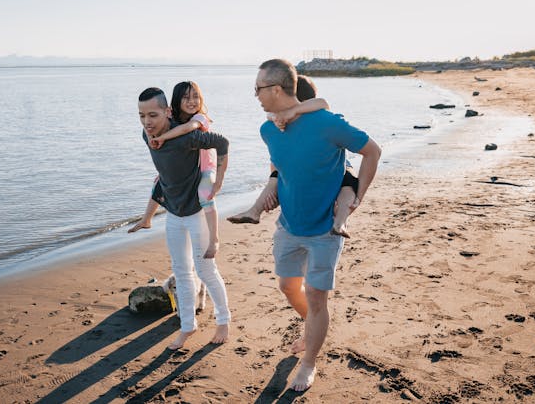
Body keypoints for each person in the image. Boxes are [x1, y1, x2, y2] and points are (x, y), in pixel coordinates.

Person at [254, 59, 380, 391]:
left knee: (316, 296)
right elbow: (280, 169)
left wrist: (356, 198)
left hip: (325, 229)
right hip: (289, 226)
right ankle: (312, 328)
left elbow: (373, 152)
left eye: (258, 89)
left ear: (277, 89)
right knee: (287, 286)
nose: (255, 96)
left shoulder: (327, 123)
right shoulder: (268, 130)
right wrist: (270, 193)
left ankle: (309, 362)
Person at [131, 87, 232, 350]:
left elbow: (221, 143)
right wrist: (148, 216)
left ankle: (224, 321)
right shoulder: (147, 135)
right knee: (182, 273)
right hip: (174, 214)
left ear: (167, 112)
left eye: (153, 115)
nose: (147, 122)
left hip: (198, 212)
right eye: (141, 116)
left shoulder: (187, 137)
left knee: (206, 271)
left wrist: (218, 179)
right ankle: (187, 327)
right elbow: (164, 177)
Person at [227, 75, 359, 237]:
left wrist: (291, 111)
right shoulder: (281, 122)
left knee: (349, 181)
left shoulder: (316, 115)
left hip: (329, 165)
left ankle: (340, 222)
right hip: (303, 170)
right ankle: (340, 222)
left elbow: (323, 103)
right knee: (276, 178)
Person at [130, 81, 222, 258]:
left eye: (196, 97)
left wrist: (162, 136)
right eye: (186, 98)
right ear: (175, 103)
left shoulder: (199, 119)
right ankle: (147, 219)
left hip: (206, 165)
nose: (191, 101)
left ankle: (214, 238)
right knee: (159, 182)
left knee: (205, 193)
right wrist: (151, 133)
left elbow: (188, 129)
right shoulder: (174, 120)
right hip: (188, 167)